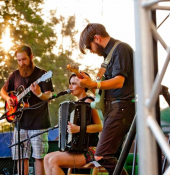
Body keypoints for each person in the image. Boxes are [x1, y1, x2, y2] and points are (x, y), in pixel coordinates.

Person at [78, 23, 136, 175]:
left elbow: (119, 81)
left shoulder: (121, 49)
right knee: (112, 156)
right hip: (113, 108)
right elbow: (102, 90)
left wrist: (93, 83)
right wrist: (89, 84)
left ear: (96, 38)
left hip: (121, 107)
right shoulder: (107, 57)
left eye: (89, 47)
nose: (90, 51)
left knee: (101, 155)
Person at [0, 45, 54, 175]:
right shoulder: (15, 75)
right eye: (18, 60)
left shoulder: (42, 75)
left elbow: (49, 97)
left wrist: (39, 93)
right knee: (20, 157)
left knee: (39, 157)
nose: (21, 63)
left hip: (38, 123)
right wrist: (8, 99)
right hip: (20, 124)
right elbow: (3, 91)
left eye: (24, 59)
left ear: (31, 57)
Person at [43, 73, 103, 175]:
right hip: (76, 149)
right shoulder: (74, 105)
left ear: (83, 86)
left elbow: (100, 126)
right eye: (70, 83)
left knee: (53, 161)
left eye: (73, 84)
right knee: (46, 158)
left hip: (90, 149)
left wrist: (79, 129)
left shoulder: (89, 102)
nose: (70, 87)